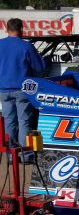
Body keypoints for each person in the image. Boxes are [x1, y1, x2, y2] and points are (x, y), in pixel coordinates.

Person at [0, 18, 45, 163]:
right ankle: (26, 156)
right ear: (21, 30)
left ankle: (11, 156)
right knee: (24, 122)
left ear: (7, 29)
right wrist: (47, 60)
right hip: (22, 90)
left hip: (4, 89)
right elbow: (40, 67)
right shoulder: (26, 46)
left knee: (9, 122)